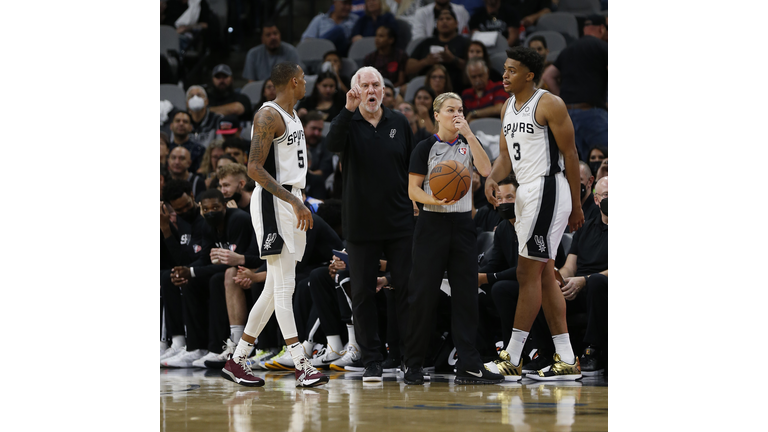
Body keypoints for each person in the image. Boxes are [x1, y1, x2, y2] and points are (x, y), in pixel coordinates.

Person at [220, 61, 329, 388]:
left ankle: (237, 360)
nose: (307, 82)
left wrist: (298, 198)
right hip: (273, 202)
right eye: (304, 78)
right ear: (294, 81)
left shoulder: (293, 114)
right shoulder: (268, 115)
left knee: (273, 288)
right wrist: (293, 200)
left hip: (290, 199)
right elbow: (253, 168)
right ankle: (301, 364)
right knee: (284, 286)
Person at [483, 46, 584, 381]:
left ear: (529, 74)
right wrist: (491, 178)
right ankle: (567, 359)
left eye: (512, 70)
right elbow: (504, 158)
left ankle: (512, 356)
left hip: (548, 188)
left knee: (528, 274)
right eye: (504, 69)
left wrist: (577, 204)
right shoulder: (506, 109)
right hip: (525, 192)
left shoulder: (549, 103)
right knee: (543, 275)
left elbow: (570, 154)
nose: (504, 75)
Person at [403, 91, 503, 385]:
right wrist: (435, 202)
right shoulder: (424, 147)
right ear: (436, 114)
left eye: (460, 109)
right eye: (450, 110)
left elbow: (486, 170)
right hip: (432, 223)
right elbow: (413, 190)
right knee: (423, 295)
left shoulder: (468, 145)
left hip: (461, 225)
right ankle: (413, 365)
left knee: (466, 296)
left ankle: (469, 365)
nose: (456, 114)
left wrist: (469, 133)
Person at [326, 66, 415, 382]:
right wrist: (347, 110)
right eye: (365, 85)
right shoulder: (348, 123)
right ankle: (372, 359)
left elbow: (410, 167)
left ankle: (408, 358)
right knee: (362, 293)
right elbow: (330, 144)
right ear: (356, 91)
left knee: (405, 289)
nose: (372, 89)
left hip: (399, 220)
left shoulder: (399, 122)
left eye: (376, 84)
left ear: (383, 90)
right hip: (361, 224)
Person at [162, 188, 254, 368]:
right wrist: (186, 271)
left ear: (225, 206)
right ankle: (196, 348)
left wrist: (194, 271)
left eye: (215, 207)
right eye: (206, 209)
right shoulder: (207, 225)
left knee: (217, 279)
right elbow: (204, 259)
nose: (211, 212)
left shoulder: (238, 220)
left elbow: (236, 261)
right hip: (227, 270)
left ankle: (219, 346)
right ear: (201, 209)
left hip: (249, 268)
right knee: (189, 281)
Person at [557, 176, 608, 375]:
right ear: (596, 200)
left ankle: (593, 350)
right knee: (548, 289)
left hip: (602, 288)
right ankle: (549, 351)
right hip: (579, 287)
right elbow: (570, 267)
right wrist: (558, 279)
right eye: (606, 195)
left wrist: (584, 281)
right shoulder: (585, 228)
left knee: (596, 282)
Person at [540, 15, 608, 161]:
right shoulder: (603, 46)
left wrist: (563, 101)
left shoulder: (567, 50)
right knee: (605, 159)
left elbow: (548, 76)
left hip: (567, 116)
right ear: (602, 29)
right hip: (593, 113)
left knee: (574, 164)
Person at [406, 9, 470, 95]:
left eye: (448, 19)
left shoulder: (465, 43)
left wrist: (453, 60)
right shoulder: (427, 42)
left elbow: (474, 67)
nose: (444, 21)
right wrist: (426, 62)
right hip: (427, 92)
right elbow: (408, 68)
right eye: (441, 19)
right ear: (436, 24)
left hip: (457, 90)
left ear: (456, 23)